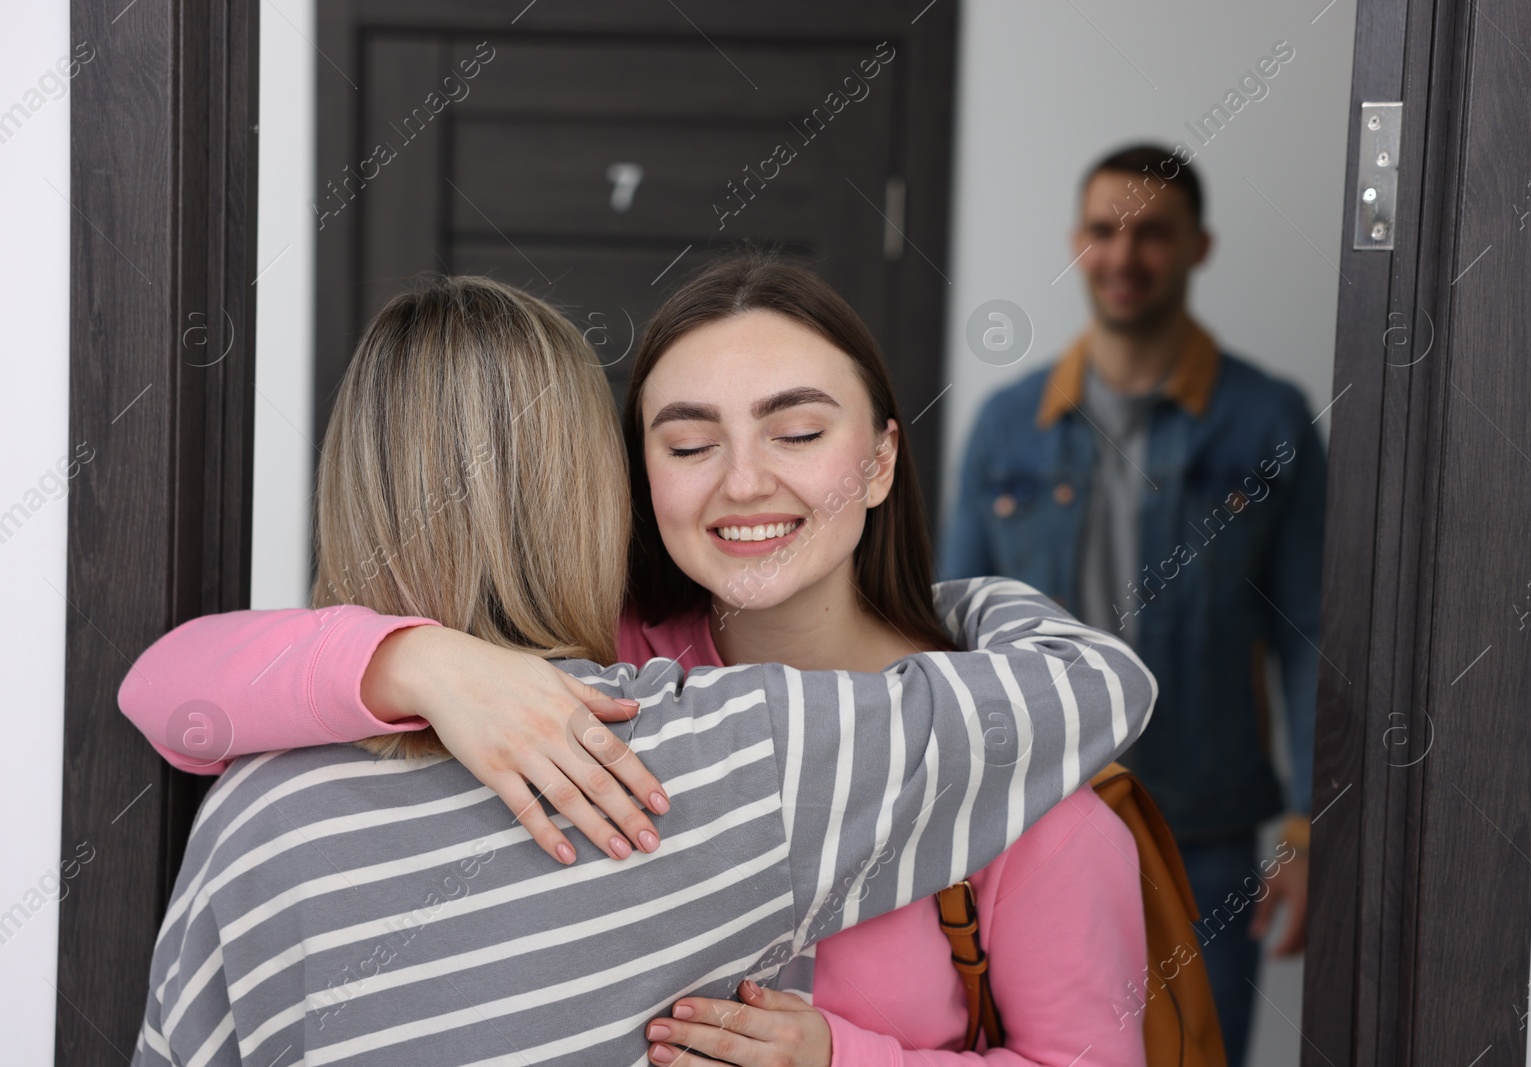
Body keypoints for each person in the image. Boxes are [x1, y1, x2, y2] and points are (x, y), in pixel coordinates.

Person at [125, 276, 1156, 1066]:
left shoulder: (1007, 756)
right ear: (623, 485)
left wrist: (845, 1055)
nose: (745, 479)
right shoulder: (602, 680)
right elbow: (171, 688)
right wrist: (421, 659)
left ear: (881, 459)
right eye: (688, 442)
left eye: (797, 430)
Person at [942, 144, 1326, 1065]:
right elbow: (952, 637)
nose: (1125, 254)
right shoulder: (1006, 422)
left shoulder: (1268, 422)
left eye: (1153, 231)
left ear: (1199, 246)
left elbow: (1310, 633)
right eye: (1105, 230)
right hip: (1036, 821)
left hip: (1209, 834)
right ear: (1077, 244)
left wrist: (1311, 827)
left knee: (1195, 1053)